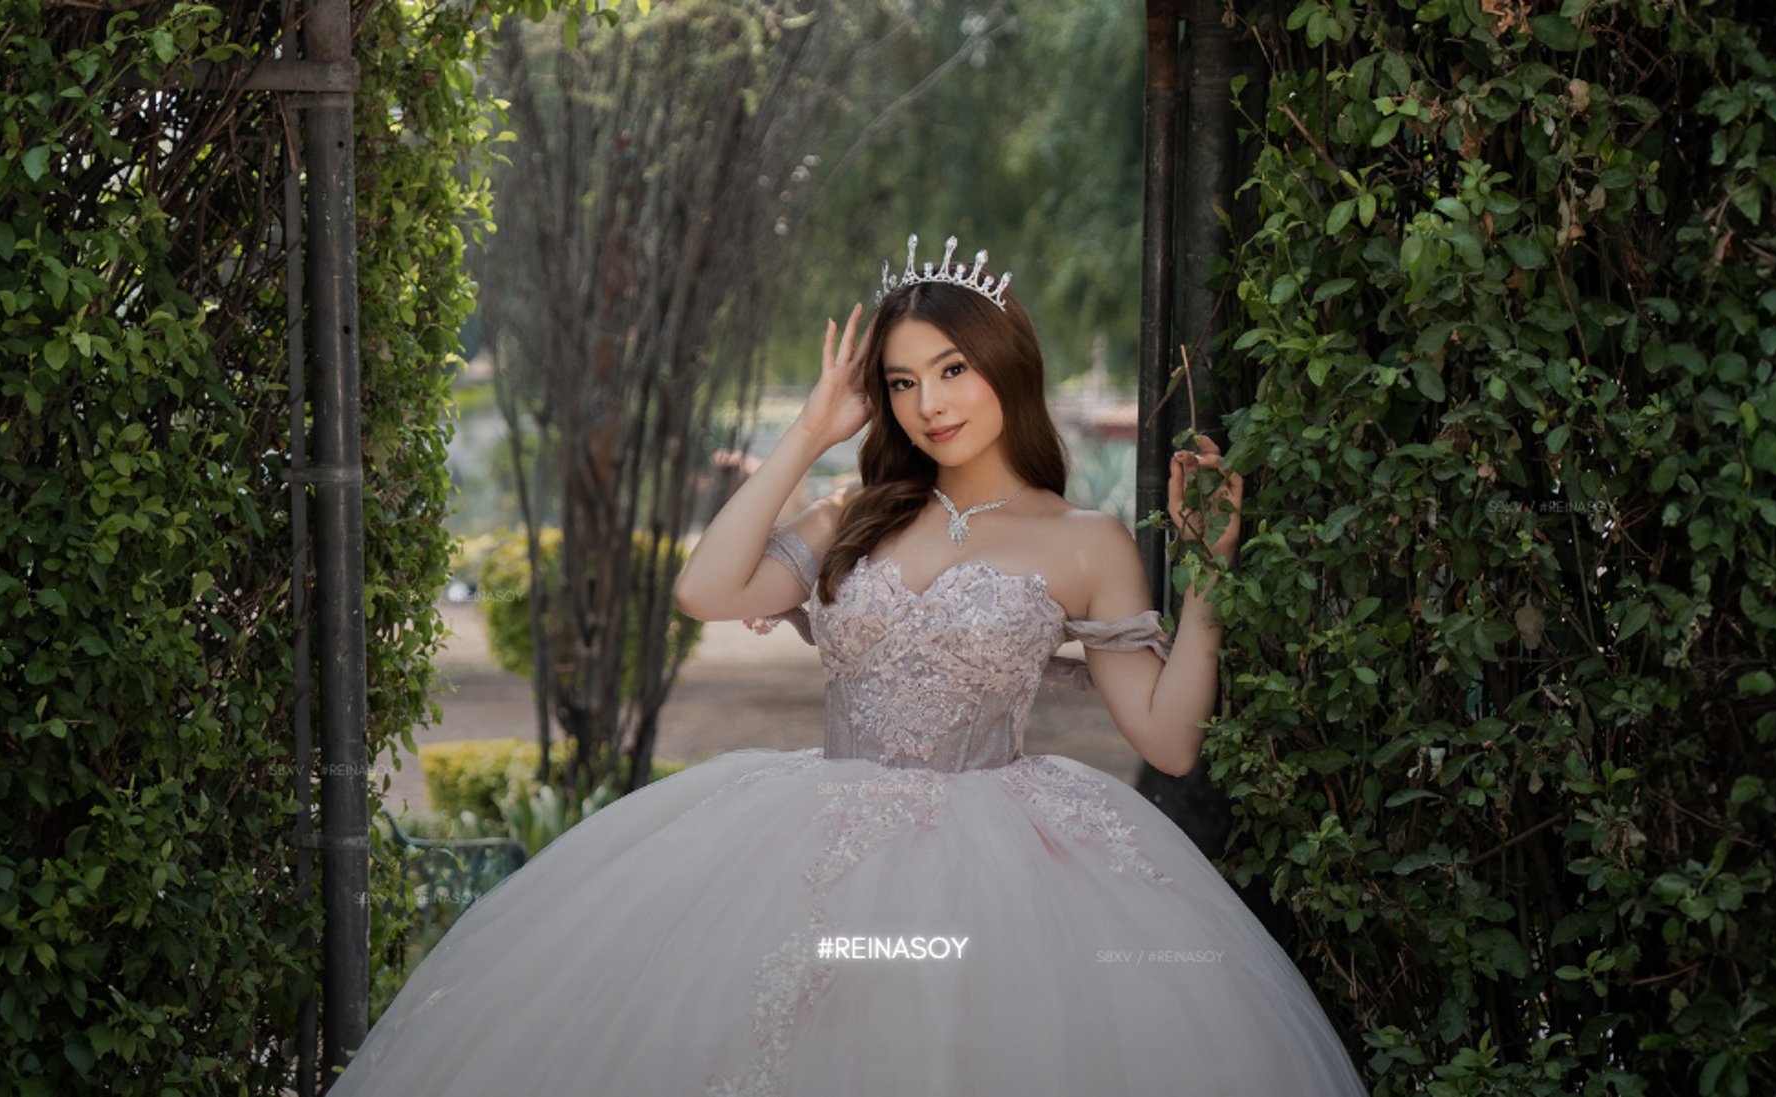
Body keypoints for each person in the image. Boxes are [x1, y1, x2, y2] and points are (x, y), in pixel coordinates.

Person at [324, 235, 1367, 1096]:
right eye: (902, 382)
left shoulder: (1085, 540)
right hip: (807, 846)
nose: (929, 403)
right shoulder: (852, 515)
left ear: (1006, 364)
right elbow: (706, 590)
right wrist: (810, 431)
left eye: (951, 370)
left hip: (1000, 876)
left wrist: (1209, 571)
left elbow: (1169, 739)